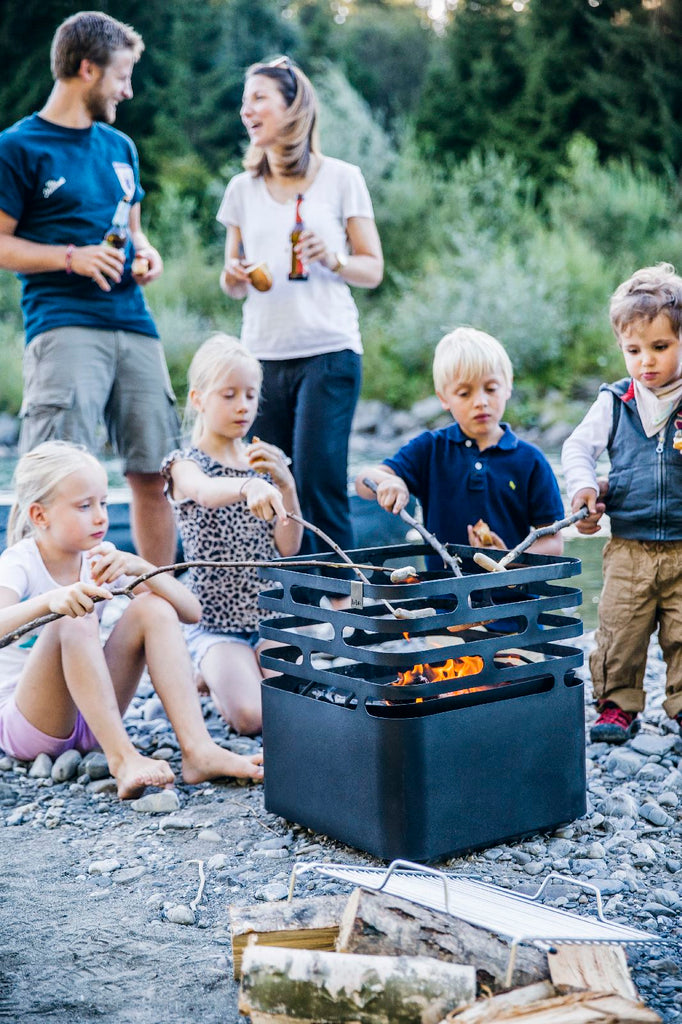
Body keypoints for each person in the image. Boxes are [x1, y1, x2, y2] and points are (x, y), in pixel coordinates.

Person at [0, 10, 179, 568]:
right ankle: (27, 620)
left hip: (135, 323)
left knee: (158, 471)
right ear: (86, 69)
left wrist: (148, 256)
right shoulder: (17, 146)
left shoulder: (122, 147)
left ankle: (159, 601)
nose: (127, 90)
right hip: (63, 324)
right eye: (122, 76)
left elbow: (135, 232)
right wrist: (71, 258)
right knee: (49, 476)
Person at [0, 441, 264, 797]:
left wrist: (141, 568)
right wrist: (52, 601)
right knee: (72, 614)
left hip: (96, 718)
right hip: (32, 724)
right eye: (84, 506)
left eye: (104, 503)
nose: (100, 516)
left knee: (153, 606)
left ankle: (198, 750)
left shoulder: (99, 559)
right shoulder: (21, 560)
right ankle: (122, 758)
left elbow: (192, 612)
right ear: (40, 516)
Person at [217, 55, 383, 590]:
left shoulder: (342, 178)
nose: (248, 109)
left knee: (317, 481)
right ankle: (282, 608)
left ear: (293, 107)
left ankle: (343, 609)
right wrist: (235, 274)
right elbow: (230, 279)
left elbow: (372, 269)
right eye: (246, 101)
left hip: (329, 352)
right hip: (260, 357)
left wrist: (334, 258)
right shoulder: (240, 188)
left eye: (259, 98)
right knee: (265, 480)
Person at [562, 263, 682, 745]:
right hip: (629, 547)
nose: (645, 361)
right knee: (619, 631)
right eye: (633, 350)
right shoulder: (615, 401)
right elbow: (576, 449)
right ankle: (616, 704)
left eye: (660, 347)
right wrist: (583, 488)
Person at [161, 334, 303, 736]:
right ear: (199, 399)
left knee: (298, 706)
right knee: (253, 718)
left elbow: (287, 547)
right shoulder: (184, 464)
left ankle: (226, 673)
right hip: (216, 622)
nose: (243, 405)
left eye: (250, 394)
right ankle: (209, 665)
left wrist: (285, 485)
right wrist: (247, 487)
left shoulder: (262, 459)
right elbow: (205, 494)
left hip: (271, 618)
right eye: (229, 395)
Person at [356, 327, 565, 562]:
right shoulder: (430, 449)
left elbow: (553, 541)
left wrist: (509, 559)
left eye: (491, 388)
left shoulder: (531, 460)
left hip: (514, 595)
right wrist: (390, 481)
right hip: (443, 593)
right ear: (444, 398)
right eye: (465, 393)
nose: (480, 402)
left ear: (508, 386)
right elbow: (363, 480)